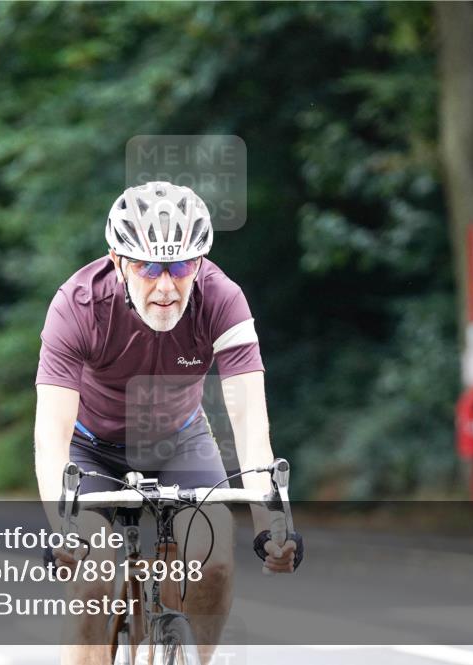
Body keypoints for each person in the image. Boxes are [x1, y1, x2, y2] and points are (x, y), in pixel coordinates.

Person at [34, 181, 303, 665]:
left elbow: (250, 427)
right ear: (117, 261)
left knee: (216, 556)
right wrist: (63, 524)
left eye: (180, 267)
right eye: (147, 266)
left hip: (180, 441)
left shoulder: (223, 301)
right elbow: (51, 436)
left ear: (198, 264)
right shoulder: (76, 306)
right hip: (91, 447)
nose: (165, 286)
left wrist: (272, 524)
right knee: (93, 573)